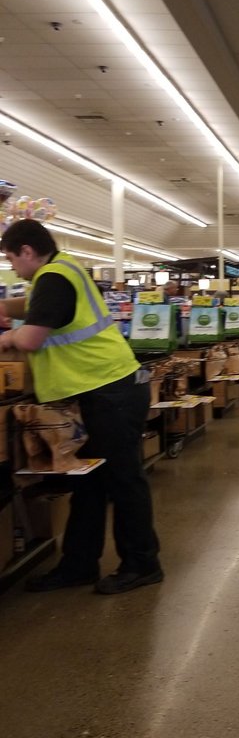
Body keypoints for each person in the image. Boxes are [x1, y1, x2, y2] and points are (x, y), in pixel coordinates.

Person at [0, 219, 162, 594]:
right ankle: (78, 565)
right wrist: (5, 306)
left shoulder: (54, 277)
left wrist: (8, 337)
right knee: (88, 481)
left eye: (11, 259)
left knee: (123, 481)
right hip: (99, 389)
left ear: (27, 251)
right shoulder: (62, 268)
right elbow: (40, 307)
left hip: (109, 389)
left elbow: (31, 339)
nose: (12, 267)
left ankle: (143, 564)